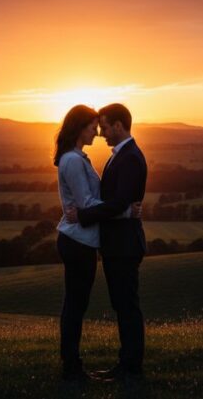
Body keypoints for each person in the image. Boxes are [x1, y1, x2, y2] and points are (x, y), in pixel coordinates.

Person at [53, 104, 142, 382]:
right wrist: (126, 211)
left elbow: (90, 204)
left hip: (84, 241)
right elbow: (87, 204)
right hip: (78, 241)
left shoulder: (80, 158)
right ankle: (72, 366)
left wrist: (120, 210)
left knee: (79, 304)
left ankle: (76, 365)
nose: (98, 132)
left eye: (101, 126)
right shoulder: (73, 161)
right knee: (76, 305)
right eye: (94, 127)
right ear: (80, 128)